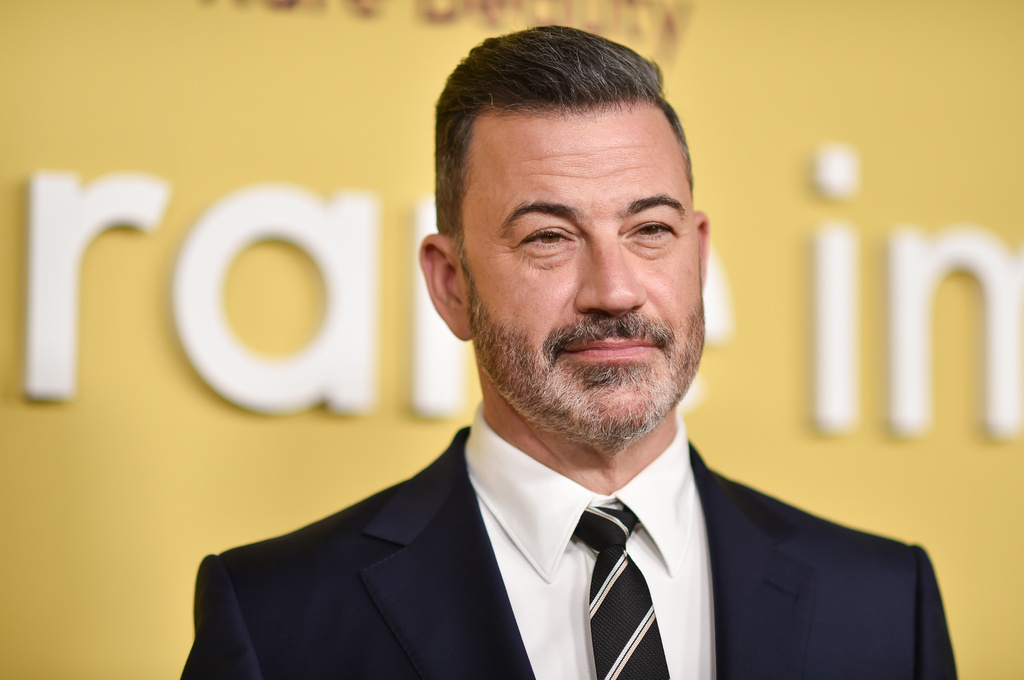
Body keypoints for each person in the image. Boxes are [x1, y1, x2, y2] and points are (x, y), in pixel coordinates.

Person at [181, 26, 956, 680]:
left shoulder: (887, 605)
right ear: (451, 285)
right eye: (550, 236)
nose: (615, 291)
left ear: (699, 253)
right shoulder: (276, 619)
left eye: (650, 229)